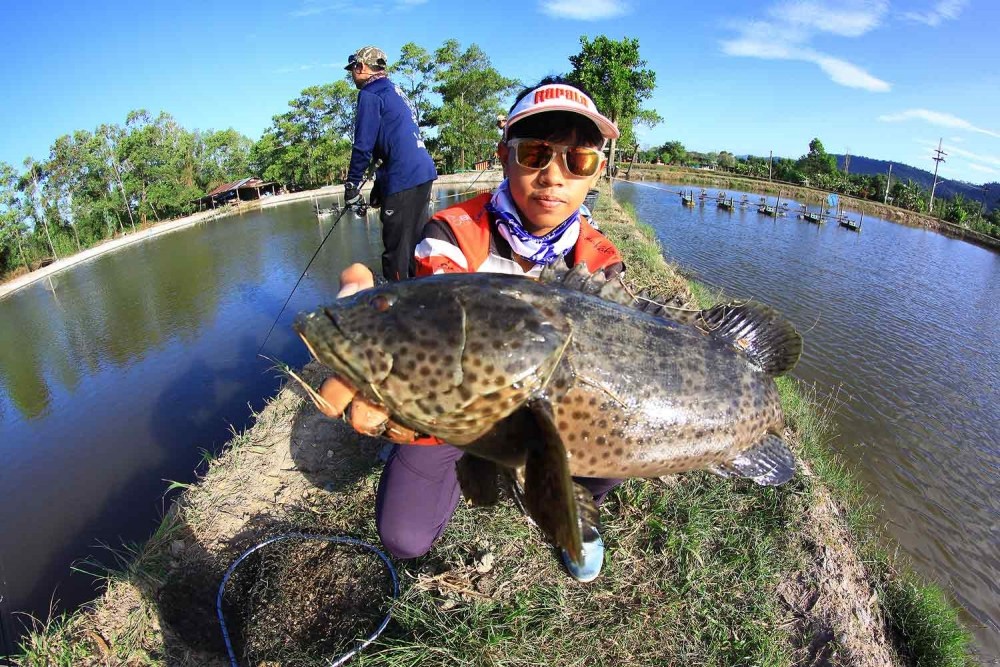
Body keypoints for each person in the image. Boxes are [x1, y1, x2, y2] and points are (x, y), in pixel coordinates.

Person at [318, 77, 624, 582]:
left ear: (597, 171)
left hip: (552, 407)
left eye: (578, 160)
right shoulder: (450, 233)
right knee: (405, 537)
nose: (554, 175)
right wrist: (368, 337)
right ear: (504, 157)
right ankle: (484, 460)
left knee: (617, 437)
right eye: (535, 154)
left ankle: (574, 507)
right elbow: (430, 337)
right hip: (457, 409)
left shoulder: (601, 261)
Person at [343, 46, 437, 281]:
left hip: (404, 176)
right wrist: (380, 188)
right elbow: (392, 142)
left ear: (360, 67)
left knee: (396, 253)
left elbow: (363, 145)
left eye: (352, 70)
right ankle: (419, 300)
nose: (352, 75)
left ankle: (396, 308)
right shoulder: (395, 90)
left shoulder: (370, 93)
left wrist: (351, 186)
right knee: (414, 246)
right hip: (421, 172)